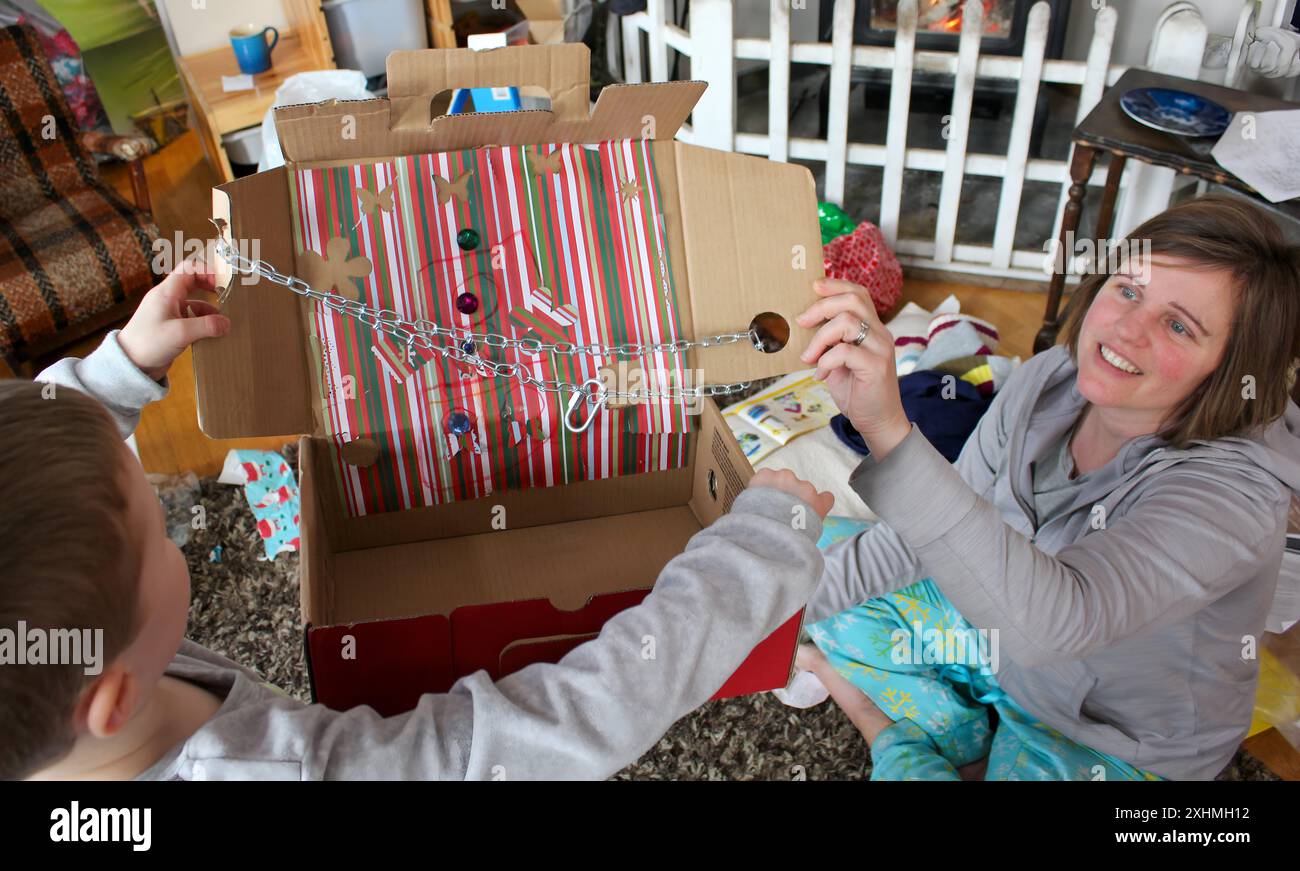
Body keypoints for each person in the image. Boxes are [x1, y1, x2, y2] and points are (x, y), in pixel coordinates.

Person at [2, 260, 833, 781]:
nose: (166, 511)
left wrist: (114, 377)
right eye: (157, 521)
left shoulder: (70, 674)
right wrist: (759, 547)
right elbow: (565, 724)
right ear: (113, 696)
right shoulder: (292, 768)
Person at [794, 195, 1300, 780]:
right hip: (1001, 649)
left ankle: (874, 718)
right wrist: (763, 610)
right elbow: (924, 539)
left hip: (1110, 742)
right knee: (801, 557)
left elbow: (1052, 629)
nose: (1126, 329)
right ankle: (962, 740)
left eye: (1179, 325)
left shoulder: (1235, 497)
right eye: (1128, 290)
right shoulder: (1050, 379)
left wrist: (887, 428)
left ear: (1235, 368)